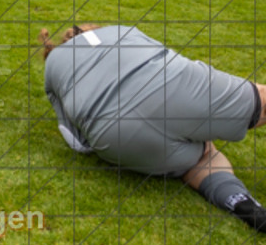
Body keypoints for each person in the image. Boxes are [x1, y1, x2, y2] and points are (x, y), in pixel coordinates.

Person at [40, 24, 266, 233]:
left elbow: (75, 138)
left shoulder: (52, 67)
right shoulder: (120, 29)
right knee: (262, 102)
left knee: (202, 156)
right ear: (91, 28)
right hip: (169, 84)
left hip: (116, 137)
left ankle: (239, 201)